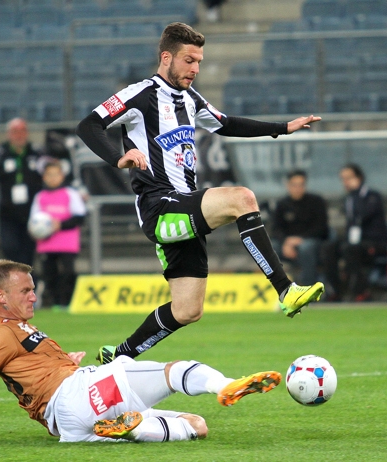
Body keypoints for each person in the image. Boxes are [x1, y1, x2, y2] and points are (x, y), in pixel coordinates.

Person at [75, 22, 324, 365]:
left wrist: (282, 128)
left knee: (188, 309)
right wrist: (118, 158)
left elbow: (227, 124)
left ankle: (119, 356)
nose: (195, 68)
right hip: (160, 206)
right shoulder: (140, 94)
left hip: (183, 207)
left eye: (199, 62)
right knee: (242, 198)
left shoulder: (190, 99)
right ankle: (286, 290)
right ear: (166, 57)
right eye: (189, 60)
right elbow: (88, 125)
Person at [0, 260, 282, 445]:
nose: (34, 295)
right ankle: (227, 385)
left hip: (69, 425)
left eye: (33, 288)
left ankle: (132, 430)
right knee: (173, 370)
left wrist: (64, 362)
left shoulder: (20, 330)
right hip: (75, 395)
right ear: (1, 296)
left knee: (197, 427)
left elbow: (29, 375)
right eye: (25, 291)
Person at [0, 118, 44, 267]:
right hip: (8, 214)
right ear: (9, 134)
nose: (19, 135)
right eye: (15, 132)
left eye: (22, 131)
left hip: (32, 213)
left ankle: (28, 285)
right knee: (10, 248)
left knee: (29, 253)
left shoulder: (37, 154)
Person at [322, 164, 387, 302]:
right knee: (329, 247)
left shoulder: (372, 196)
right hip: (354, 242)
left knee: (350, 249)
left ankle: (361, 291)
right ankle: (334, 291)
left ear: (359, 178)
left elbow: (362, 216)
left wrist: (356, 192)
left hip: (374, 242)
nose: (345, 182)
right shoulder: (349, 198)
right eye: (343, 179)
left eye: (349, 178)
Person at [29, 160, 87, 310]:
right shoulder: (40, 196)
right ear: (44, 177)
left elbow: (79, 217)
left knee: (68, 272)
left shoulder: (70, 194)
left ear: (62, 176)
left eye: (56, 174)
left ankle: (67, 302)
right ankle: (55, 302)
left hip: (67, 242)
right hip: (47, 243)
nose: (53, 178)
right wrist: (36, 231)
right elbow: (33, 221)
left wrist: (60, 225)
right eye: (49, 175)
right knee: (49, 273)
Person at [270, 169, 329, 286]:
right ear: (288, 185)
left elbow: (321, 228)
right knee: (270, 248)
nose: (297, 188)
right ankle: (278, 286)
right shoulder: (282, 204)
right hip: (287, 244)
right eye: (294, 185)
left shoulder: (316, 202)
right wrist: (286, 242)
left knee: (306, 248)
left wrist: (299, 239)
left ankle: (308, 287)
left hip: (312, 241)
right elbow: (276, 229)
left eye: (301, 185)